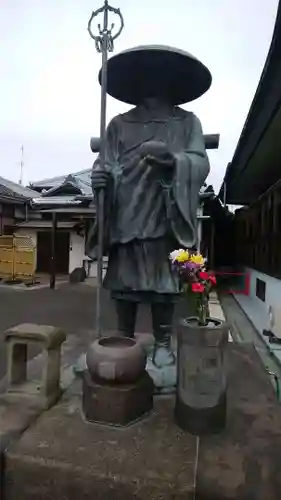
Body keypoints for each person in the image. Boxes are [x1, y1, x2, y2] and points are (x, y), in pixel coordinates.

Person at [86, 45, 211, 367]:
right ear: (135, 82)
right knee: (123, 281)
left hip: (164, 209)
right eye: (146, 75)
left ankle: (163, 343)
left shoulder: (186, 123)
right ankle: (123, 338)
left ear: (173, 81)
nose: (153, 81)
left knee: (163, 282)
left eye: (161, 75)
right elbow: (107, 164)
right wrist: (101, 179)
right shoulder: (118, 124)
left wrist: (174, 161)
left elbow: (199, 162)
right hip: (126, 209)